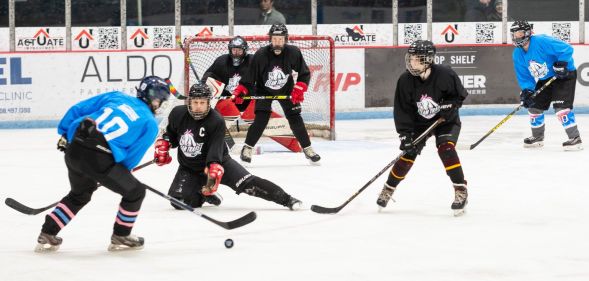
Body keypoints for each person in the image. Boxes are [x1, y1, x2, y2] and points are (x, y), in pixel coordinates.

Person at [35, 76, 171, 252]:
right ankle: (121, 235)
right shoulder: (150, 123)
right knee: (135, 192)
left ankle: (48, 232)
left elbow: (78, 109)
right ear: (154, 98)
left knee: (80, 194)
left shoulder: (117, 96)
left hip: (75, 145)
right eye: (161, 99)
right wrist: (117, 174)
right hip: (99, 156)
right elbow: (130, 159)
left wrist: (65, 133)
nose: (161, 103)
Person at [155, 84, 302, 211]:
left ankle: (287, 199)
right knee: (178, 202)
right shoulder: (177, 114)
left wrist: (213, 170)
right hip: (189, 167)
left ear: (208, 103)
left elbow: (215, 150)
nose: (198, 107)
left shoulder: (216, 120)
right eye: (195, 102)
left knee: (248, 185)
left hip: (219, 162)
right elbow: (172, 135)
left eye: (202, 102)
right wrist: (165, 144)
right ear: (189, 102)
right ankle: (203, 194)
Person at [376, 40, 469, 216]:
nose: (412, 62)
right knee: (408, 153)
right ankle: (388, 189)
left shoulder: (445, 74)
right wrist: (405, 135)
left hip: (444, 121)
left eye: (417, 59)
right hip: (419, 123)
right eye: (410, 58)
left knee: (446, 149)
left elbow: (459, 96)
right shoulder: (405, 80)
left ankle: (460, 189)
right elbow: (402, 110)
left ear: (428, 59)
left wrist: (450, 105)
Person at [233, 23, 321, 164]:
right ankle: (247, 148)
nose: (277, 42)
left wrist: (299, 88)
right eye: (274, 39)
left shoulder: (293, 52)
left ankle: (308, 149)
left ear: (285, 39)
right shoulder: (261, 54)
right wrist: (241, 90)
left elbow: (304, 73)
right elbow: (250, 76)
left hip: (287, 90)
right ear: (270, 39)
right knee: (261, 120)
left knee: (295, 118)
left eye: (280, 39)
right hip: (264, 91)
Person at [511, 20, 583, 150]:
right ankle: (537, 138)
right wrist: (527, 90)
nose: (516, 37)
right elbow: (524, 76)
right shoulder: (517, 54)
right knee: (534, 105)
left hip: (564, 75)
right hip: (546, 79)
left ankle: (575, 139)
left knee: (561, 108)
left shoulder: (541, 41)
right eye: (514, 34)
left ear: (527, 33)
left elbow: (566, 48)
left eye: (519, 33)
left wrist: (561, 63)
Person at [202, 35, 253, 112]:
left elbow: (261, 79)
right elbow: (209, 76)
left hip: (247, 101)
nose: (236, 53)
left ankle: (258, 112)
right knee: (210, 79)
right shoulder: (221, 61)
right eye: (234, 50)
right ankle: (210, 111)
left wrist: (247, 91)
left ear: (245, 51)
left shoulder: (252, 61)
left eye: (239, 50)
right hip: (226, 102)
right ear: (230, 50)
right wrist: (203, 85)